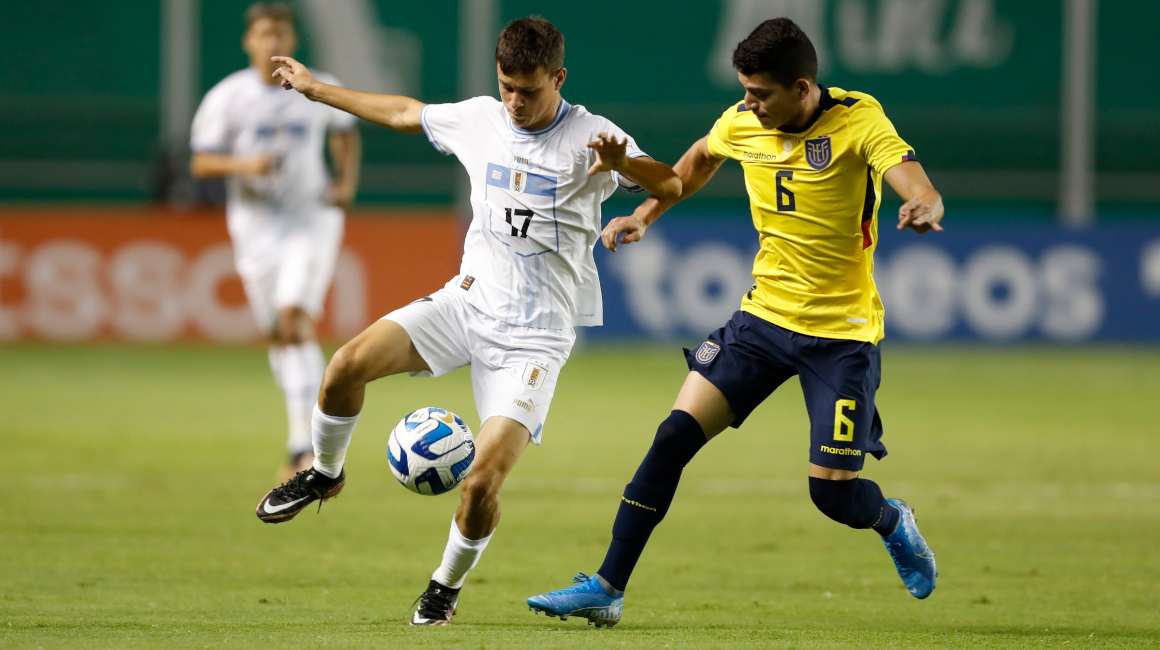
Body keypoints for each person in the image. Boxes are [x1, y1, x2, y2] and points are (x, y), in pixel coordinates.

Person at [252, 17, 682, 626]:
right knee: (344, 366)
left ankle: (443, 587)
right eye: (507, 86)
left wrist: (628, 168)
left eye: (529, 91)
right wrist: (317, 89)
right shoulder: (482, 117)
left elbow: (671, 181)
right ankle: (323, 473)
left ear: (558, 78)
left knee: (480, 484)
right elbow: (404, 112)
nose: (515, 102)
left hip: (534, 340)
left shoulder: (595, 136)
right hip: (466, 303)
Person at [526, 17, 942, 628]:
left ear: (802, 88)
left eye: (761, 94)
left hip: (840, 338)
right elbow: (696, 159)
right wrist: (646, 214)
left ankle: (890, 519)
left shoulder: (858, 120)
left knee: (832, 494)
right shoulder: (743, 121)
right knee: (672, 439)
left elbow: (906, 172)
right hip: (761, 322)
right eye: (744, 91)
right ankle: (607, 586)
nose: (748, 104)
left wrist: (923, 200)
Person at [190, 2, 361, 481]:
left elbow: (344, 131)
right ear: (249, 41)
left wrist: (345, 183)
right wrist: (244, 166)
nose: (273, 43)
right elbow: (201, 163)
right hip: (255, 229)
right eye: (265, 34)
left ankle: (302, 446)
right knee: (278, 333)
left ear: (292, 41)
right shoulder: (227, 98)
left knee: (293, 321)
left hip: (311, 219)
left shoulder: (315, 84)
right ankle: (302, 432)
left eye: (281, 35)